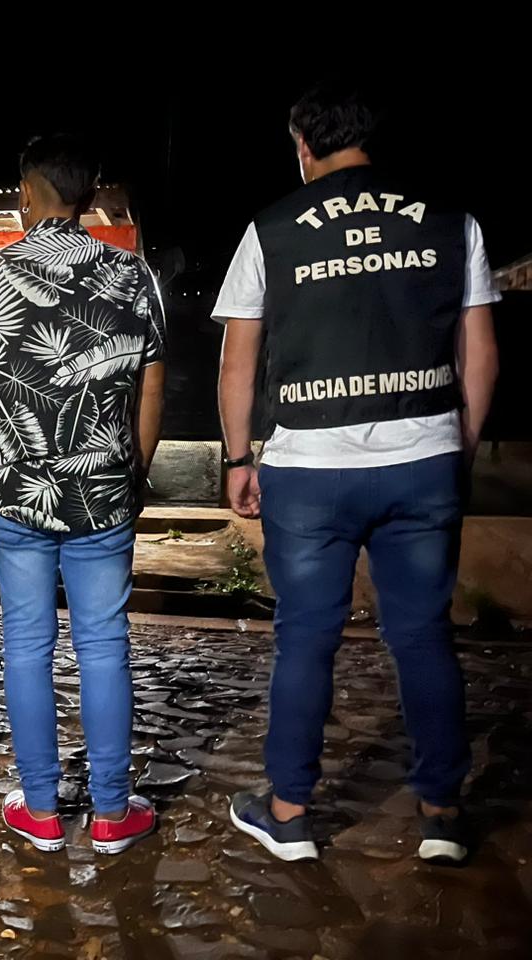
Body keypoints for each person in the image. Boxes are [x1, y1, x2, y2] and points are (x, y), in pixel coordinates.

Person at [215, 83, 501, 864]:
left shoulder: (271, 229)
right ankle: (442, 813)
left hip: (310, 468)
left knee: (305, 640)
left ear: (303, 145)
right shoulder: (452, 221)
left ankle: (289, 810)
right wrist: (461, 441)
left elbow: (241, 357)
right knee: (422, 636)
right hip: (424, 460)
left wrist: (239, 456)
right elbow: (479, 350)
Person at [0, 135, 167, 855]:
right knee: (105, 644)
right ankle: (109, 813)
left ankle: (40, 809)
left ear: (26, 192)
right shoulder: (133, 277)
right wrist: (133, 471)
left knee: (25, 645)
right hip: (103, 492)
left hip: (16, 491)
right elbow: (150, 385)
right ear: (91, 194)